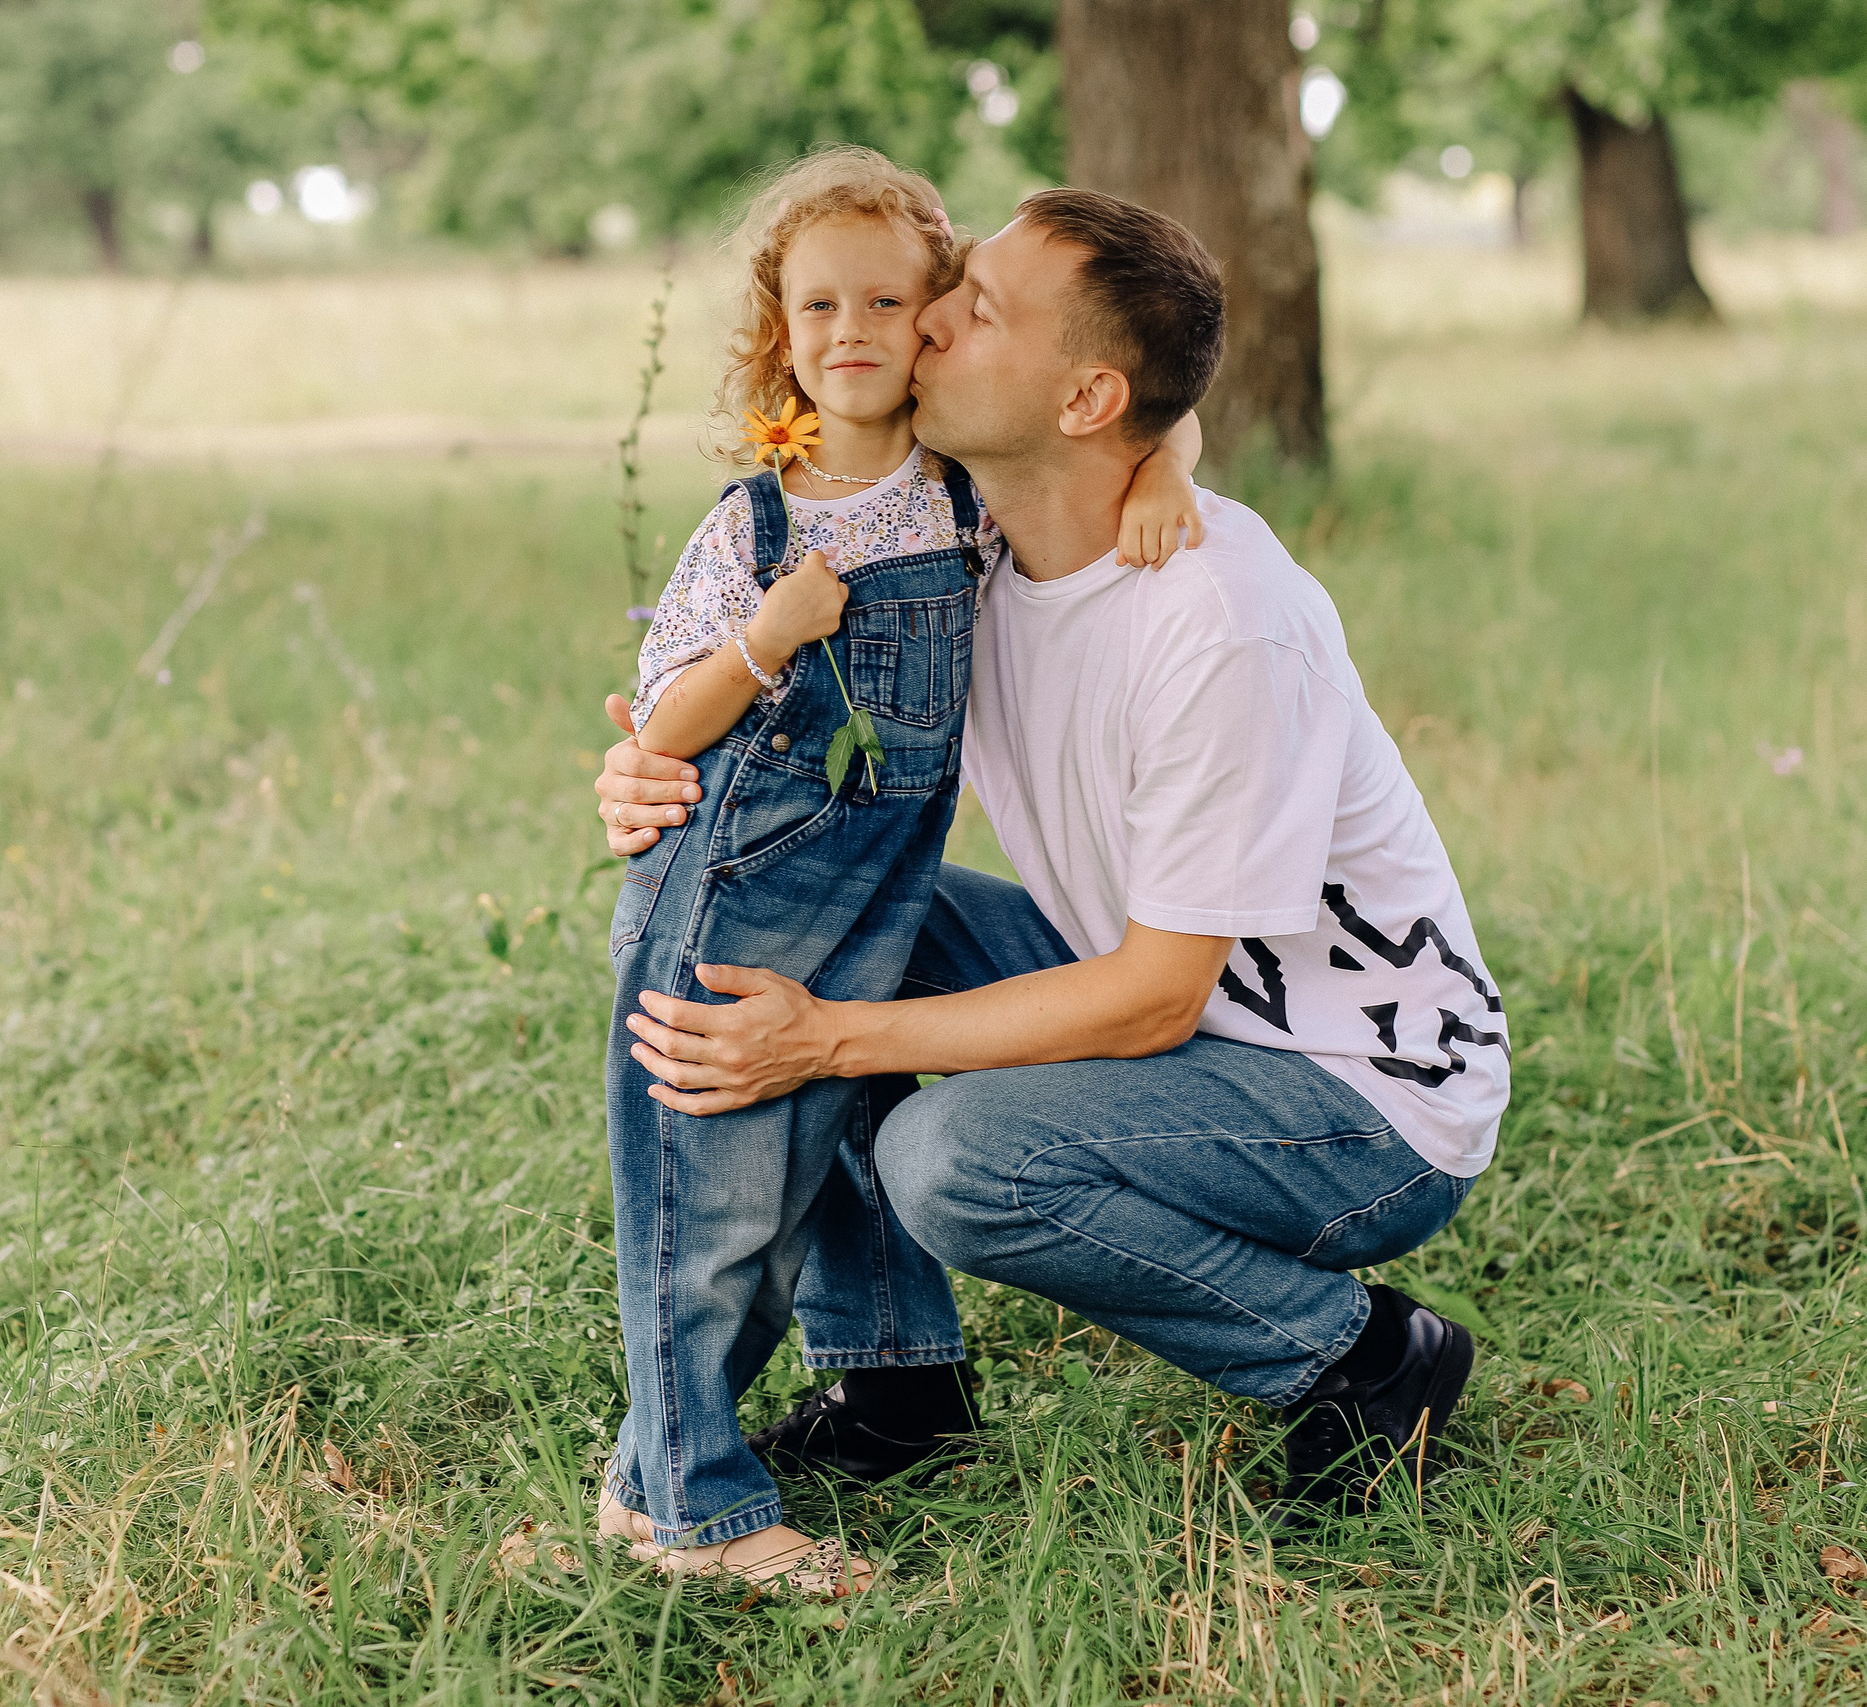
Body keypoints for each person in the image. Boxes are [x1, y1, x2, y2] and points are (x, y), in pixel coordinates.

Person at [596, 188, 1510, 1527]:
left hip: (1357, 1096)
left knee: (954, 1157)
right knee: (816, 918)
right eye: (948, 286)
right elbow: (1149, 391)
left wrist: (830, 1039)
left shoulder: (1216, 625)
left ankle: (1369, 1364)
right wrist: (649, 761)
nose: (933, 321)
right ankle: (899, 1385)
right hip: (1165, 990)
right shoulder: (968, 527)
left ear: (1083, 403)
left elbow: (1156, 999)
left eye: (976, 311)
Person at [595, 148, 1205, 1593]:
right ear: (781, 332)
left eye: (890, 300)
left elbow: (1132, 405)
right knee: (712, 1208)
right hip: (734, 897)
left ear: (937, 320)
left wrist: (1170, 466)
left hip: (873, 900)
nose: (854, 330)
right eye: (820, 306)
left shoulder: (960, 499)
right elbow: (664, 715)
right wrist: (775, 636)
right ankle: (700, 1513)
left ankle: (681, 1475)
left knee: (831, 1153)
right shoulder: (753, 524)